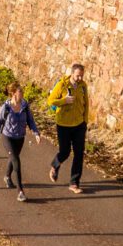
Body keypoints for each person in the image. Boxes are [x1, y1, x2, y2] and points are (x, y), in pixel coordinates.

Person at [0, 83, 42, 201]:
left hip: (20, 137)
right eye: (20, 92)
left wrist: (36, 133)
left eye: (22, 92)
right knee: (16, 161)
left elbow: (30, 121)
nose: (23, 94)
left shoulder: (24, 105)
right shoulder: (6, 107)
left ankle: (7, 176)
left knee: (13, 157)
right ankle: (20, 191)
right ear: (14, 93)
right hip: (7, 137)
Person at [48, 62, 91, 193]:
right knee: (65, 152)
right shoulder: (62, 85)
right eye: (77, 76)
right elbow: (50, 101)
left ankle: (74, 183)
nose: (80, 78)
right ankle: (55, 165)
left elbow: (86, 104)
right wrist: (64, 101)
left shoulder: (83, 86)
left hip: (79, 125)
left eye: (81, 76)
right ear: (72, 73)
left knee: (79, 154)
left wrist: (85, 122)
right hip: (63, 125)